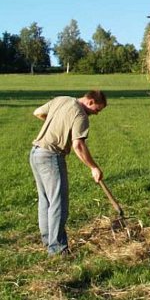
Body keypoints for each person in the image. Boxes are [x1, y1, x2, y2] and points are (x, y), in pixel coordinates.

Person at [29, 90, 107, 256]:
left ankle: (48, 241)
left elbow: (38, 112)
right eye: (97, 110)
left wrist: (59, 127)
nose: (96, 113)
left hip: (36, 153)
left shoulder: (62, 99)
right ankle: (57, 248)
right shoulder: (81, 115)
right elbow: (78, 146)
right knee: (58, 203)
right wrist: (94, 167)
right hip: (51, 157)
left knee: (45, 200)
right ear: (91, 101)